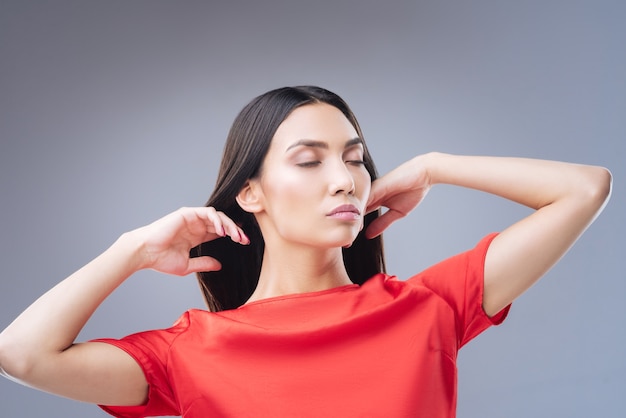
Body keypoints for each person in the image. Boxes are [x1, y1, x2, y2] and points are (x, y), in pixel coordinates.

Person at [0, 86, 612, 417]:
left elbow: (585, 189)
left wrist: (434, 166)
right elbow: (22, 356)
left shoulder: (427, 307)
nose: (345, 179)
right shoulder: (191, 352)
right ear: (251, 193)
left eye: (354, 158)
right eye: (309, 160)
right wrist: (131, 250)